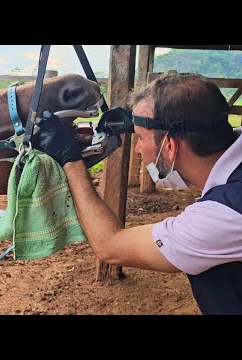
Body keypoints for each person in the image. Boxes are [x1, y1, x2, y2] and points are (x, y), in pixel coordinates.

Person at [34, 72, 242, 315]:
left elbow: (110, 246)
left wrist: (70, 159)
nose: (138, 149)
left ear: (171, 146)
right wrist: (139, 122)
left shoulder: (223, 216)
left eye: (141, 138)